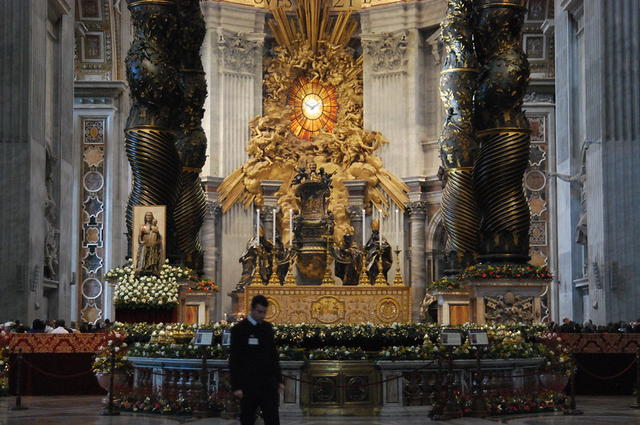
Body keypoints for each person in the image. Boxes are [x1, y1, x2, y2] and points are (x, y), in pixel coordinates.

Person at [230, 295, 284, 425]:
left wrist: (279, 380)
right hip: (248, 384)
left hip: (268, 384)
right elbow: (235, 359)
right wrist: (236, 386)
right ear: (252, 309)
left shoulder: (267, 328)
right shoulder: (239, 329)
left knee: (272, 419)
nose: (262, 315)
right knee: (247, 418)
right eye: (259, 312)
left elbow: (273, 356)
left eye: (264, 312)